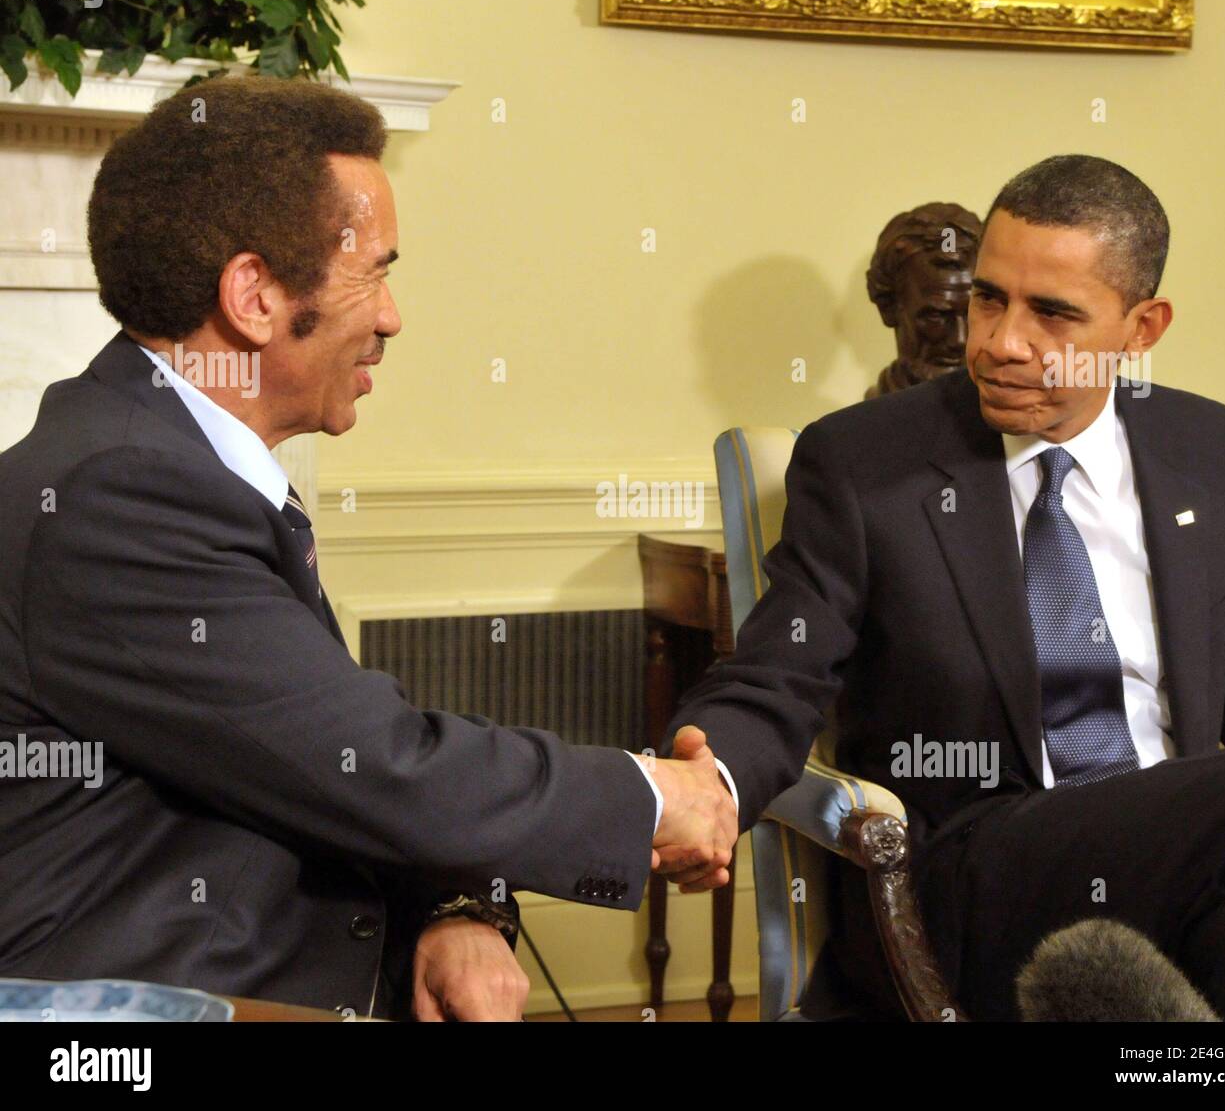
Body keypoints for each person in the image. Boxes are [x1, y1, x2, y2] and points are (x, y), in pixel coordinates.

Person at [0, 76, 737, 1022]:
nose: (391, 317)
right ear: (255, 296)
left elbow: (319, 757)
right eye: (375, 272)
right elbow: (380, 764)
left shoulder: (161, 462)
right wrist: (650, 796)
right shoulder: (121, 497)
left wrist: (455, 908)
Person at [668, 154, 1225, 1021]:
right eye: (989, 298)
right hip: (975, 870)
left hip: (1185, 857)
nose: (1002, 341)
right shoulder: (864, 462)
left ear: (1142, 327)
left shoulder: (1218, 452)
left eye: (1053, 313)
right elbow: (779, 671)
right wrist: (711, 779)